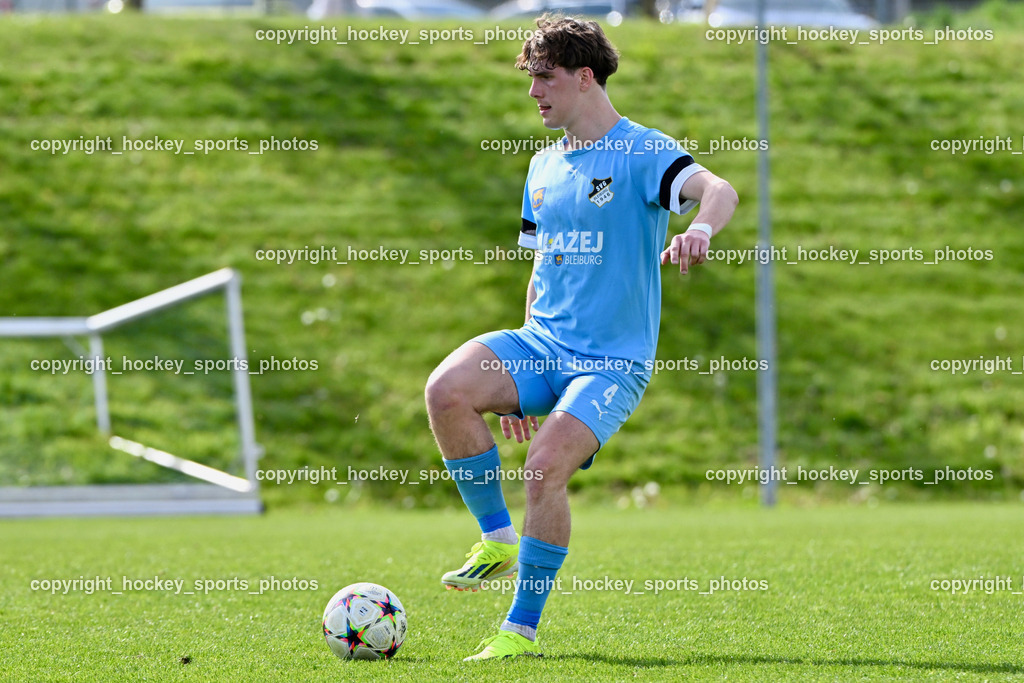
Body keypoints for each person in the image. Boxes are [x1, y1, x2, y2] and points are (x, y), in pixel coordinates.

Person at [424, 13, 738, 661]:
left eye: (545, 78)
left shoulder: (642, 150)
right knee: (447, 389)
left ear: (585, 76)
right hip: (541, 345)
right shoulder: (542, 166)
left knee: (543, 468)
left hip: (611, 361)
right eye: (530, 79)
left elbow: (718, 187)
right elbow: (541, 268)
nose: (533, 92)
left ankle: (519, 630)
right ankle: (497, 539)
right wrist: (513, 384)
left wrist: (700, 229)